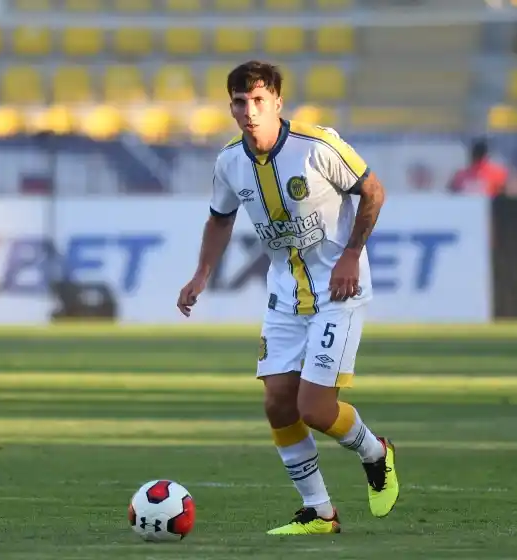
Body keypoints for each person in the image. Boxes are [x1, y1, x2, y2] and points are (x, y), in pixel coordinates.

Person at [177, 61, 399, 535]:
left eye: (259, 100)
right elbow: (220, 219)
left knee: (314, 409)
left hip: (339, 289)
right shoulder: (229, 162)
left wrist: (351, 255)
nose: (250, 111)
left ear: (277, 102)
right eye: (240, 102)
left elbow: (373, 191)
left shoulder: (317, 147)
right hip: (284, 293)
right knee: (278, 403)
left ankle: (375, 452)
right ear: (231, 108)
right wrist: (201, 273)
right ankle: (320, 512)